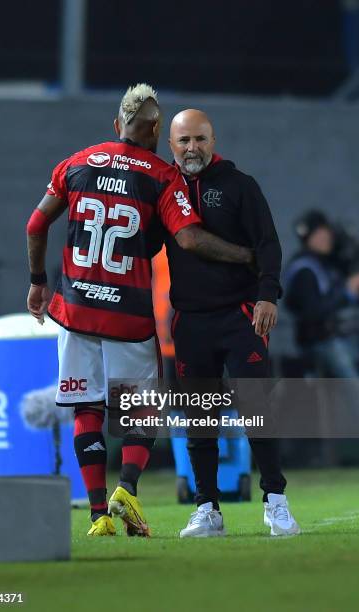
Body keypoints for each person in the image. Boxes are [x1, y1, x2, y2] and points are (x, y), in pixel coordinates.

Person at [26, 86, 253, 537]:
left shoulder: (76, 163)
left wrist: (37, 281)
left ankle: (97, 517)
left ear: (116, 125)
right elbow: (189, 239)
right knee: (143, 411)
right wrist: (247, 255)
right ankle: (126, 489)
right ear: (154, 129)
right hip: (127, 315)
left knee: (85, 407)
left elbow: (35, 225)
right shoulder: (161, 175)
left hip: (74, 308)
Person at [166, 109, 300, 537]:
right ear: (171, 145)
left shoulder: (241, 186)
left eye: (200, 139)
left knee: (257, 409)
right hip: (190, 321)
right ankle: (207, 508)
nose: (192, 148)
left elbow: (269, 245)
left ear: (213, 140)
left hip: (241, 315)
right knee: (199, 419)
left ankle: (275, 501)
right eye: (184, 140)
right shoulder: (162, 190)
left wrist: (266, 295)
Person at [285, 210, 359, 376]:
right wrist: (347, 291)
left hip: (339, 337)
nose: (324, 239)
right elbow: (312, 312)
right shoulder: (305, 269)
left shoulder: (328, 263)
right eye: (317, 235)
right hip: (322, 342)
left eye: (324, 233)